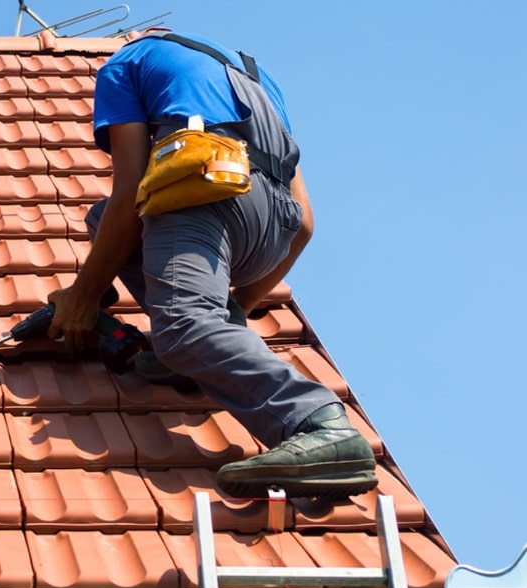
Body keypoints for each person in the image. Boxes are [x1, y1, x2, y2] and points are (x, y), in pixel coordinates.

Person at [46, 29, 378, 498]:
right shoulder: (256, 77)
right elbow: (304, 225)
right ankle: (203, 349)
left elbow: (128, 196)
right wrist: (235, 308)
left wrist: (82, 297)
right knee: (104, 222)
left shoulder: (123, 66)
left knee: (181, 325)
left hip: (206, 196)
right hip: (270, 231)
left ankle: (319, 424)